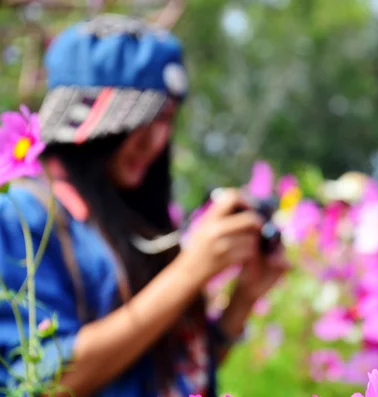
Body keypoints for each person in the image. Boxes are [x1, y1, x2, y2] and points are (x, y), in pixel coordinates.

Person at [0, 14, 288, 397]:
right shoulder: (23, 218)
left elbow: (166, 373)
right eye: (137, 120)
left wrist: (243, 299)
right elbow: (38, 382)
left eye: (166, 118)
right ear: (84, 121)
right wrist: (189, 272)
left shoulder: (137, 222)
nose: (154, 141)